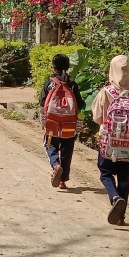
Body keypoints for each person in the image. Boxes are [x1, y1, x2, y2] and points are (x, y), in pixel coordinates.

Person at [91, 54, 129, 225]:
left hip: (109, 144)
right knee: (124, 178)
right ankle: (121, 217)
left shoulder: (106, 92)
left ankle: (114, 197)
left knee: (106, 173)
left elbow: (97, 117)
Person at [39, 53, 84, 190]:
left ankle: (55, 166)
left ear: (54, 67)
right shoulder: (72, 84)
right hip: (69, 125)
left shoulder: (50, 82)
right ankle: (62, 181)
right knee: (67, 150)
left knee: (50, 145)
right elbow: (80, 104)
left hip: (52, 122)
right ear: (68, 67)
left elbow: (42, 102)